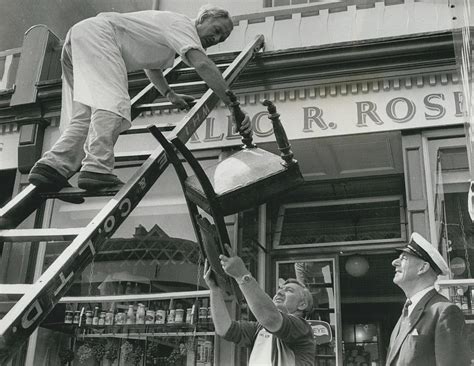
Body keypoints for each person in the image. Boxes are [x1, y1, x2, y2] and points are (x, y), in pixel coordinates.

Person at [28, 6, 251, 192]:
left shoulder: (169, 32)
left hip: (81, 38)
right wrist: (234, 105)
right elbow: (202, 64)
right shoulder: (182, 26)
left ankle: (52, 167)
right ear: (202, 19)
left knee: (86, 113)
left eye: (223, 37)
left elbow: (151, 67)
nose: (218, 38)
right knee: (113, 103)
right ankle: (97, 169)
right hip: (100, 36)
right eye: (217, 29)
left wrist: (169, 94)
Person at [204, 244, 316, 366]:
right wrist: (214, 289)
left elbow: (270, 318)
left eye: (289, 290)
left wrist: (241, 274)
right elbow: (224, 329)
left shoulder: (302, 328)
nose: (279, 292)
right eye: (280, 288)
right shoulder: (259, 328)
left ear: (302, 304)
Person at [386, 232, 470, 366]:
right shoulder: (405, 314)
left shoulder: (445, 311)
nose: (394, 262)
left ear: (423, 268)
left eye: (404, 258)